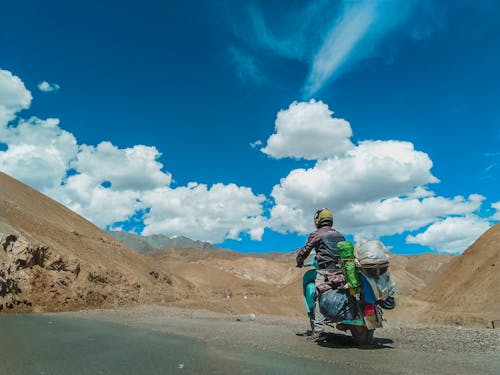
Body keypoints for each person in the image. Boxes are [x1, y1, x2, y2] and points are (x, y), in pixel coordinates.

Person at [296, 208, 345, 341]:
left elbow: (306, 249)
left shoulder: (317, 234)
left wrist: (299, 260)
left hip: (325, 271)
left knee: (318, 295)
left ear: (318, 220)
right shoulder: (340, 235)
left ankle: (318, 330)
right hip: (342, 272)